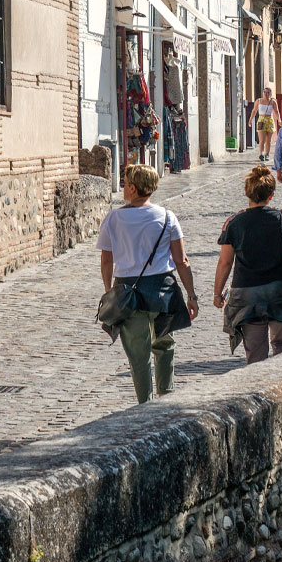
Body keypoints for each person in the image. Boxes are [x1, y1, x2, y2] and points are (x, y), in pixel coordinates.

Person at [97, 164, 199, 402]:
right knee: (164, 345)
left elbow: (106, 260)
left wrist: (108, 292)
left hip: (128, 293)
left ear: (132, 187)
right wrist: (191, 295)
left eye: (125, 182)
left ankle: (145, 404)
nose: (123, 186)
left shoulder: (113, 219)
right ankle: (166, 396)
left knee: (138, 355)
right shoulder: (167, 217)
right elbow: (181, 261)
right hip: (163, 291)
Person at [214, 165, 282, 362]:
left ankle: (257, 391)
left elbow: (225, 262)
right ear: (271, 195)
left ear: (247, 193)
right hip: (281, 292)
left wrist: (218, 293)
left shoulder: (234, 223)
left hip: (247, 295)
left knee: (255, 353)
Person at [253, 85, 279, 161]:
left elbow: (277, 112)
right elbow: (254, 111)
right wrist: (251, 120)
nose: (265, 93)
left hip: (269, 120)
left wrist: (279, 120)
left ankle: (267, 154)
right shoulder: (258, 101)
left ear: (270, 93)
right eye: (264, 92)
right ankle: (261, 154)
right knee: (262, 140)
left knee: (268, 140)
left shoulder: (273, 102)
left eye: (267, 92)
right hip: (261, 120)